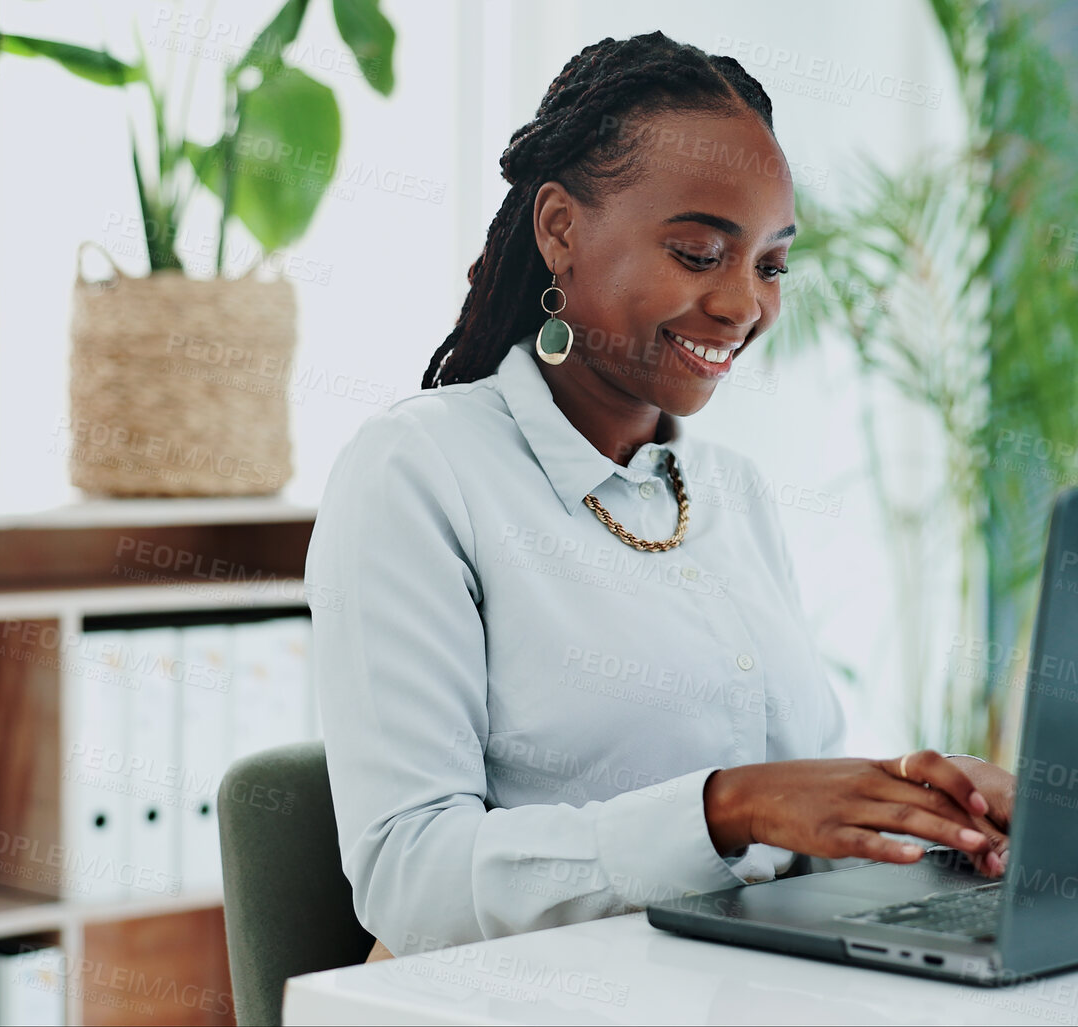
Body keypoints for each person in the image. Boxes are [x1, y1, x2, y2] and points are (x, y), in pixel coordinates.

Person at [306, 30, 1018, 961]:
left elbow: (785, 851)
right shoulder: (418, 471)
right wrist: (725, 809)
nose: (741, 304)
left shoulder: (732, 493)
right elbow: (411, 878)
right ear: (560, 228)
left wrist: (913, 814)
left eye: (770, 265)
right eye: (696, 252)